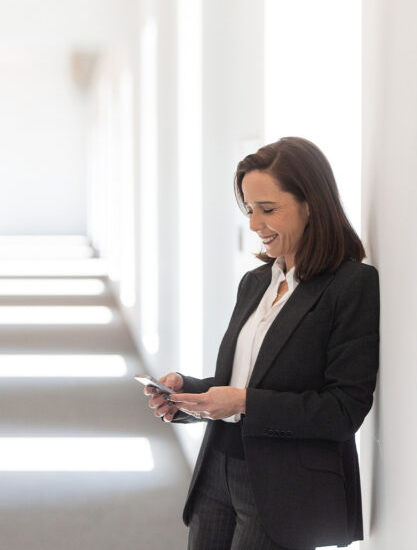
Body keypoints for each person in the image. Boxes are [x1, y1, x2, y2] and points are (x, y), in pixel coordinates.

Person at [145, 137, 380, 550]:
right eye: (250, 209)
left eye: (268, 210)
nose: (255, 224)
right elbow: (240, 381)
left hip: (282, 490)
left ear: (311, 204)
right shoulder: (256, 282)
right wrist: (187, 395)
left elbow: (344, 410)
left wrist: (242, 403)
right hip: (217, 473)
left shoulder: (350, 285)